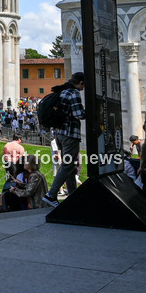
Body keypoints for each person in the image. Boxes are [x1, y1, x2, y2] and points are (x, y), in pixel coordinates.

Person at [43, 73, 86, 207]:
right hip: (70, 134)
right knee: (68, 165)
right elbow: (79, 114)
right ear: (81, 82)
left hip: (59, 134)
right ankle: (51, 195)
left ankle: (73, 196)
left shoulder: (61, 91)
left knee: (70, 167)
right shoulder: (73, 93)